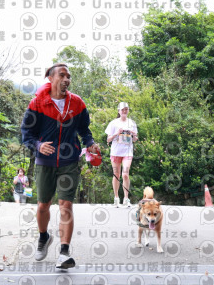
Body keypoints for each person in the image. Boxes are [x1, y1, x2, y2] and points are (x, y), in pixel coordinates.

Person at [21, 63, 100, 270]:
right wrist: (38, 145)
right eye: (62, 75)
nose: (66, 80)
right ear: (51, 78)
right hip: (45, 162)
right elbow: (26, 134)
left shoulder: (77, 103)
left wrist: (90, 143)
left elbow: (85, 130)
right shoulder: (37, 103)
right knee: (43, 206)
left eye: (69, 76)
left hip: (69, 162)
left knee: (66, 205)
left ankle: (64, 253)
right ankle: (43, 237)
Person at [105, 102, 138, 207]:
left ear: (128, 110)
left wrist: (133, 135)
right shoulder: (113, 123)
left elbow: (135, 139)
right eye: (122, 109)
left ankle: (126, 198)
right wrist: (117, 133)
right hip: (116, 152)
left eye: (126, 109)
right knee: (116, 175)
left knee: (125, 174)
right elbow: (108, 139)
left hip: (127, 152)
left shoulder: (132, 123)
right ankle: (116, 198)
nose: (124, 111)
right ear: (119, 111)